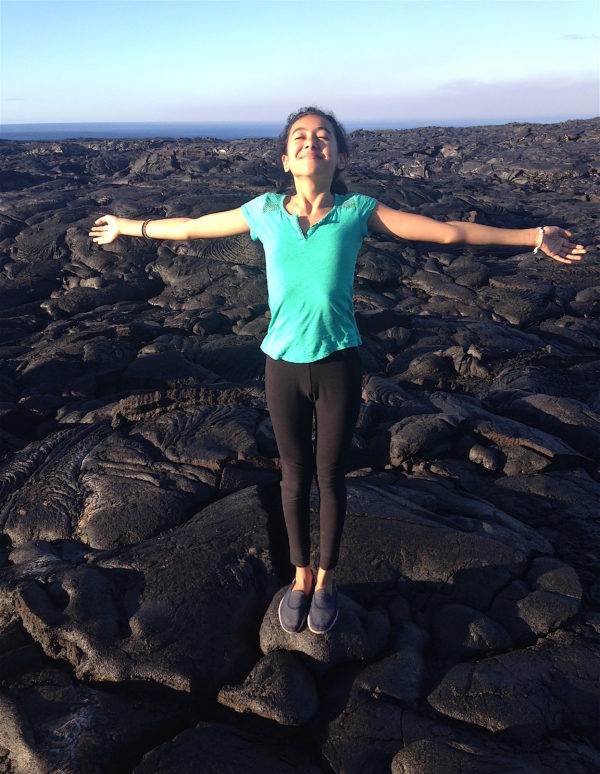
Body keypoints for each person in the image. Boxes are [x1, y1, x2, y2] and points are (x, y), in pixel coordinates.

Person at [89, 106, 587, 635]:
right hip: (281, 365)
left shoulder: (357, 211)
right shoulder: (263, 211)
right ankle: (299, 576)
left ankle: (326, 580)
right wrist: (128, 227)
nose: (311, 143)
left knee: (330, 478)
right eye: (299, 137)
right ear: (285, 158)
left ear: (340, 155)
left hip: (339, 365)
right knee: (292, 477)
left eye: (322, 137)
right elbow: (191, 230)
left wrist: (533, 235)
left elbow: (445, 234)